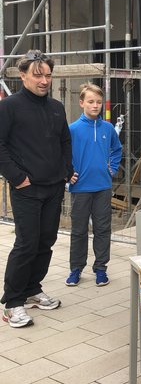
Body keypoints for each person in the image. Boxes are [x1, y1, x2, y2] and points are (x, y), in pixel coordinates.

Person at [0, 50, 73, 328]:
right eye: (37, 75)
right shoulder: (9, 107)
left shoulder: (56, 107)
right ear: (23, 75)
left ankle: (32, 288)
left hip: (54, 186)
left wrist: (66, 170)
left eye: (48, 75)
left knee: (46, 240)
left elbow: (65, 141)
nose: (44, 81)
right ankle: (12, 302)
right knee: (27, 243)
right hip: (26, 188)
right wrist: (17, 177)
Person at [65, 83, 123, 287]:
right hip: (80, 188)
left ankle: (100, 269)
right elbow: (62, 154)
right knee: (79, 230)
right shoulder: (72, 129)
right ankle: (75, 269)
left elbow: (117, 149)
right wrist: (68, 174)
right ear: (81, 103)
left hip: (103, 187)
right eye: (90, 102)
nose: (95, 105)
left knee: (103, 229)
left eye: (99, 102)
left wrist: (112, 169)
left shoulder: (108, 128)